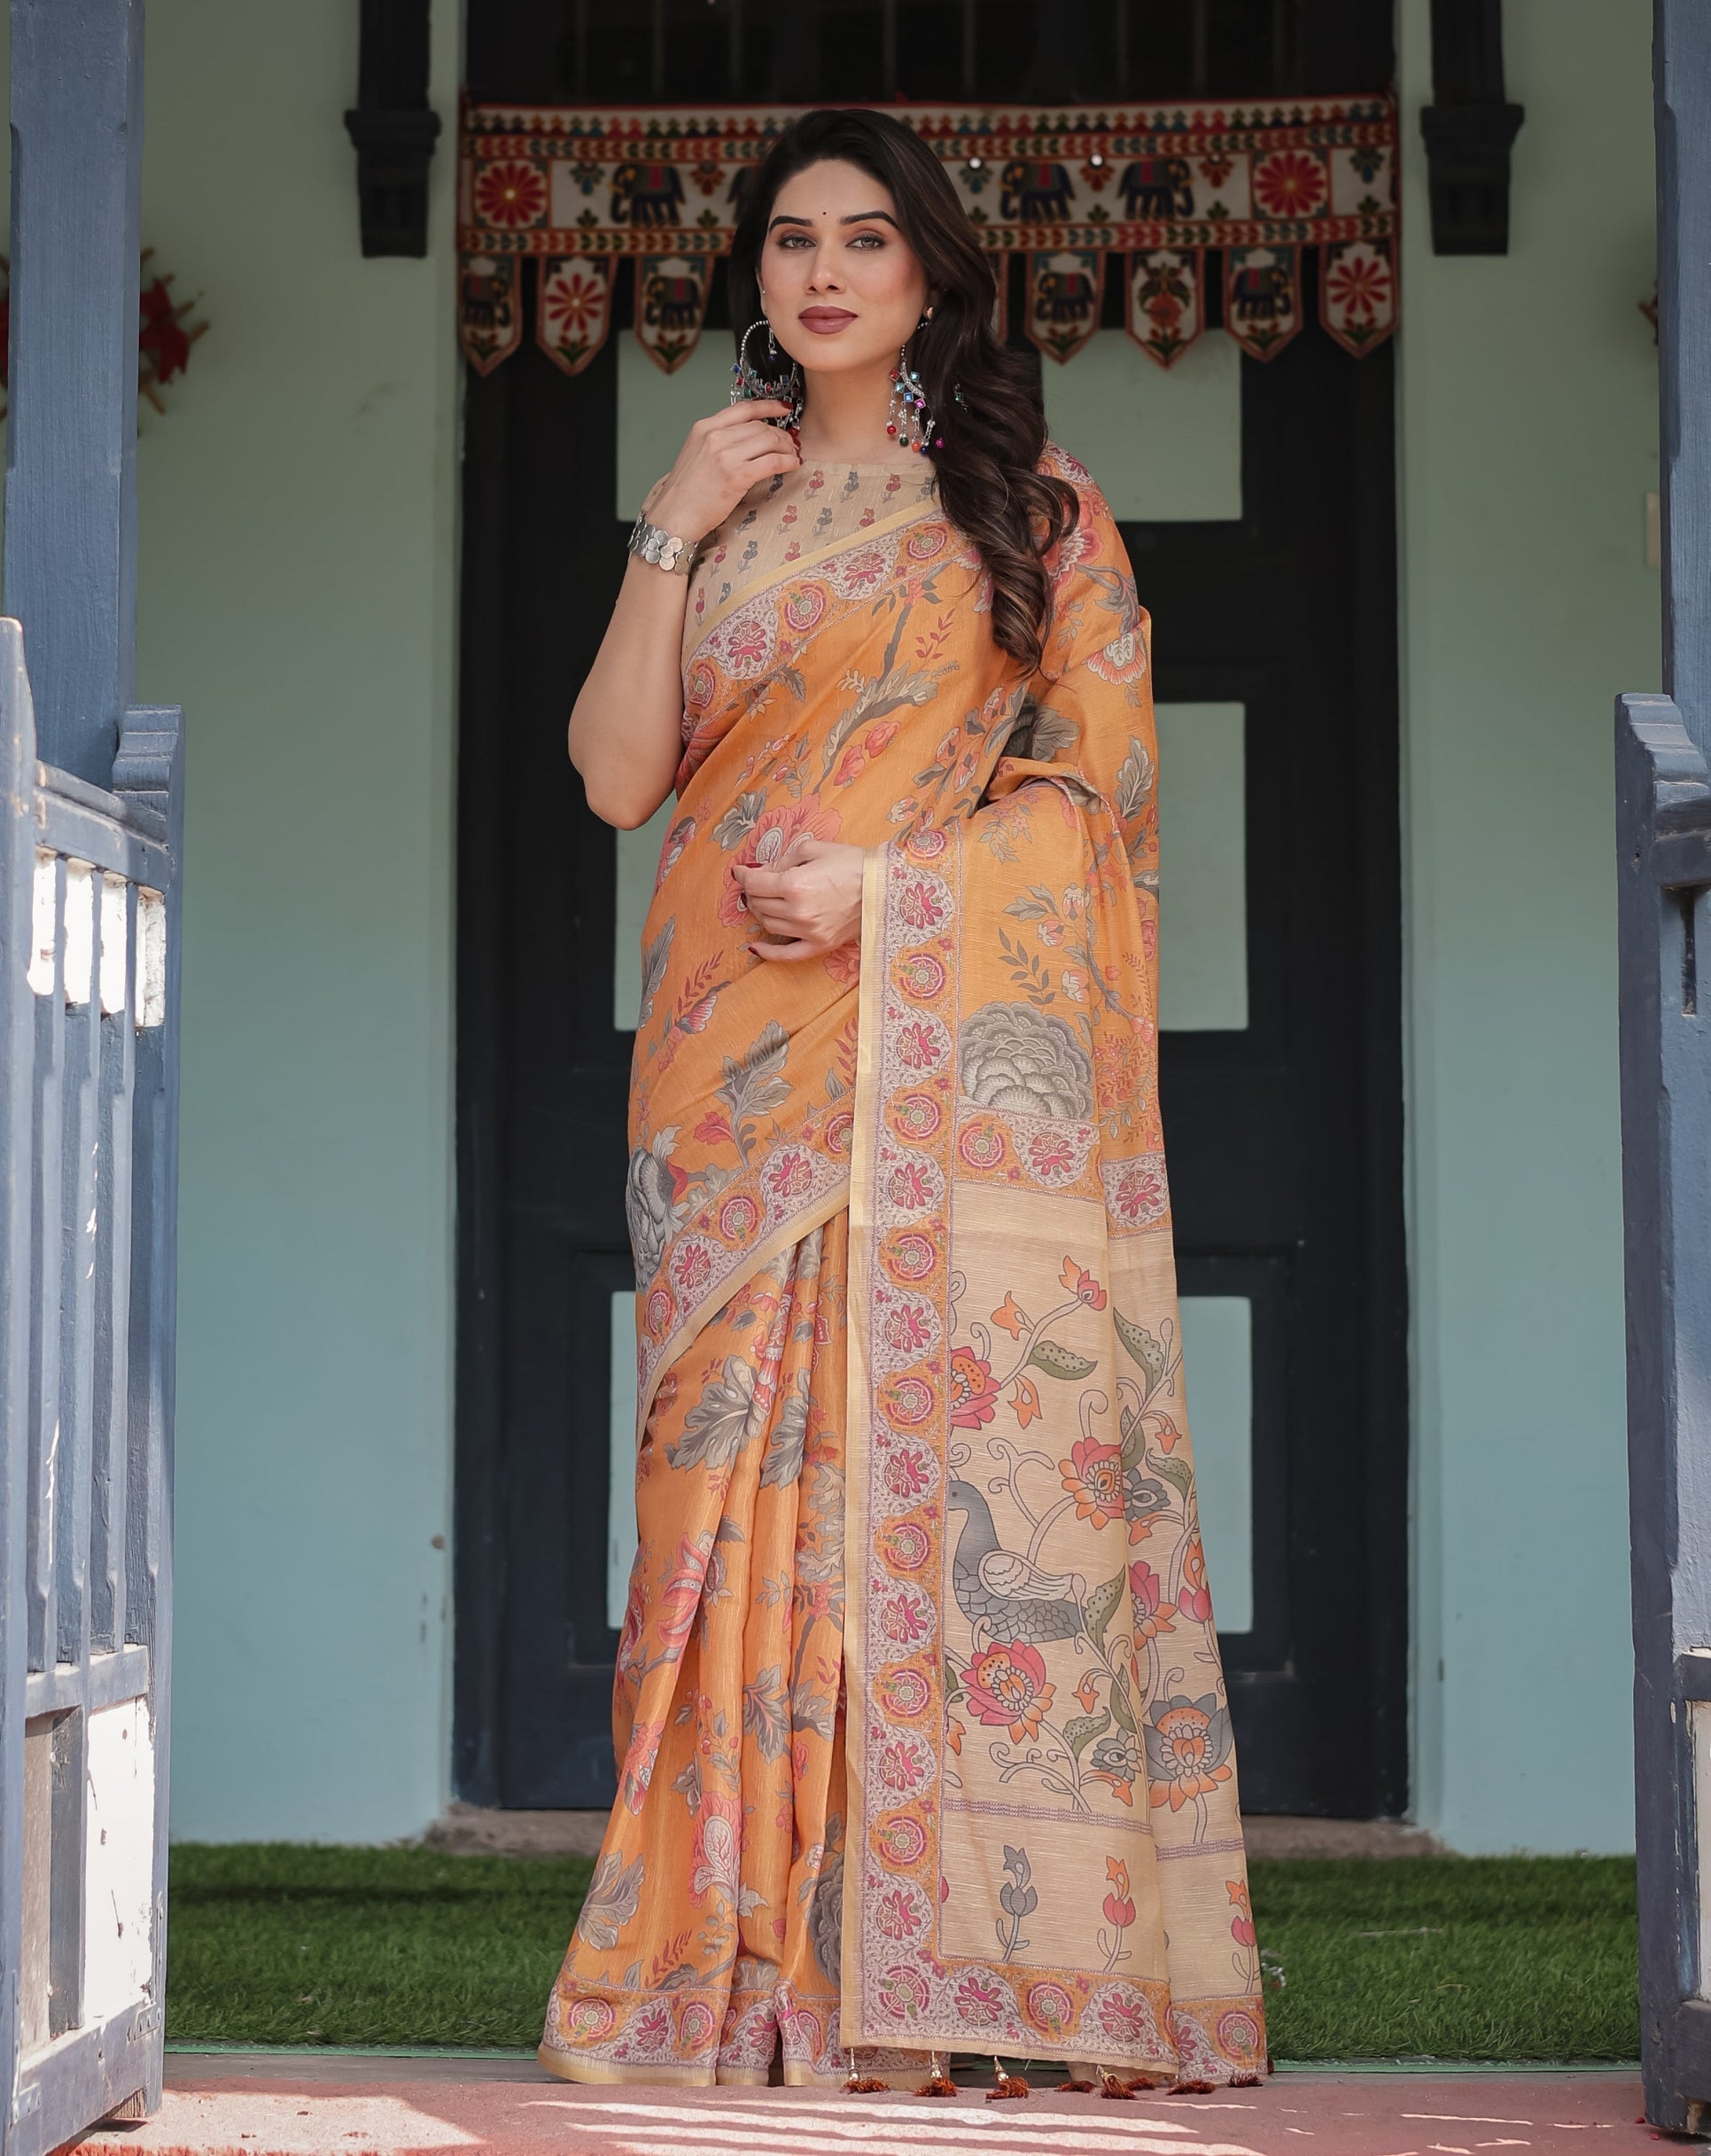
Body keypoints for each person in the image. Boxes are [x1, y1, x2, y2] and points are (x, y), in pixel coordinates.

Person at [541, 105, 1264, 2096]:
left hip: (920, 1075)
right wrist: (668, 520)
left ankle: (922, 1968)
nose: (826, 271)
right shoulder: (725, 504)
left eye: (866, 236)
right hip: (720, 1075)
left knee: (909, 1491)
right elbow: (615, 777)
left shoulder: (1038, 514)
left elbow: (1099, 812)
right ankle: (725, 1964)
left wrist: (889, 893)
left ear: (932, 268)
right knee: (713, 1506)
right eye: (792, 239)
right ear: (755, 277)